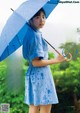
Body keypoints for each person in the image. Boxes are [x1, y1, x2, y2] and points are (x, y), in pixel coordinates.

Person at [22, 8, 72, 113]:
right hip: (41, 76)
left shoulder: (30, 33)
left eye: (43, 17)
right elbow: (36, 62)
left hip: (33, 75)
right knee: (45, 107)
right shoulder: (35, 36)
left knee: (34, 106)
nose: (42, 20)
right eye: (37, 17)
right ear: (30, 19)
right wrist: (57, 60)